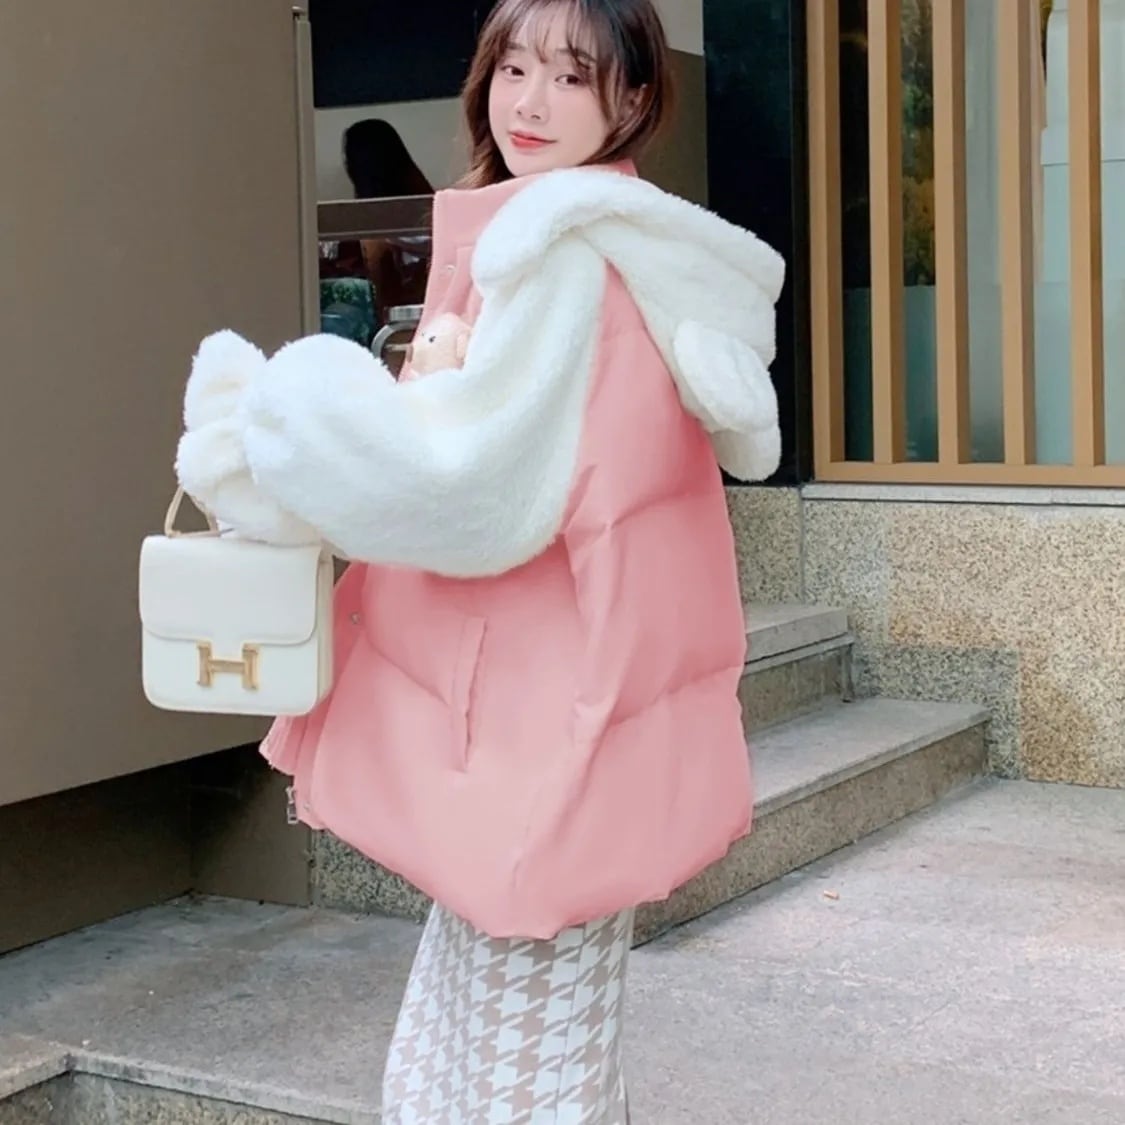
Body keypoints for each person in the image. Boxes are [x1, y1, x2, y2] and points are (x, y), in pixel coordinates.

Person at [174, 0, 785, 1119]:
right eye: (513, 68)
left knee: (514, 1064)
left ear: (632, 98)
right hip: (569, 696)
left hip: (540, 714)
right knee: (528, 1033)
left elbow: (471, 494)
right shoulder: (625, 244)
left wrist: (286, 423)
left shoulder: (559, 257)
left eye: (571, 76)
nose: (530, 103)